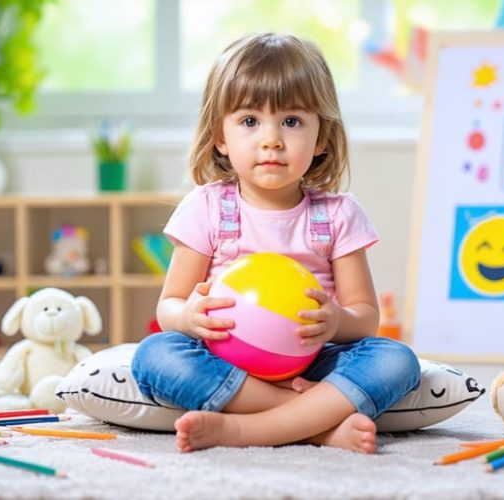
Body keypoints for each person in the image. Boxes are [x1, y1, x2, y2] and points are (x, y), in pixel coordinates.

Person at [131, 33, 420, 454]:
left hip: (313, 362)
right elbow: (169, 304)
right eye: (250, 121)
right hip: (225, 361)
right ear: (221, 138)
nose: (272, 139)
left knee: (397, 360)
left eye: (292, 121)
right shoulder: (206, 207)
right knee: (154, 355)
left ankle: (242, 430)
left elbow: (365, 318)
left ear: (322, 137)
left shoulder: (339, 214)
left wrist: (336, 321)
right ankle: (315, 426)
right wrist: (190, 316)